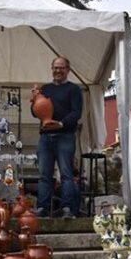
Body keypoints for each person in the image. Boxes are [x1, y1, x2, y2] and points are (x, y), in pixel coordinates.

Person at [33, 56, 83, 219]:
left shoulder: (74, 89)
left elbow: (76, 113)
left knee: (66, 174)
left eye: (61, 67)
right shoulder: (45, 89)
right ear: (51, 69)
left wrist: (61, 124)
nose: (58, 70)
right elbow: (36, 113)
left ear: (68, 70)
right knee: (44, 175)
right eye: (55, 67)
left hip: (65, 136)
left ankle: (67, 208)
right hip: (45, 137)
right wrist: (34, 102)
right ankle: (43, 208)